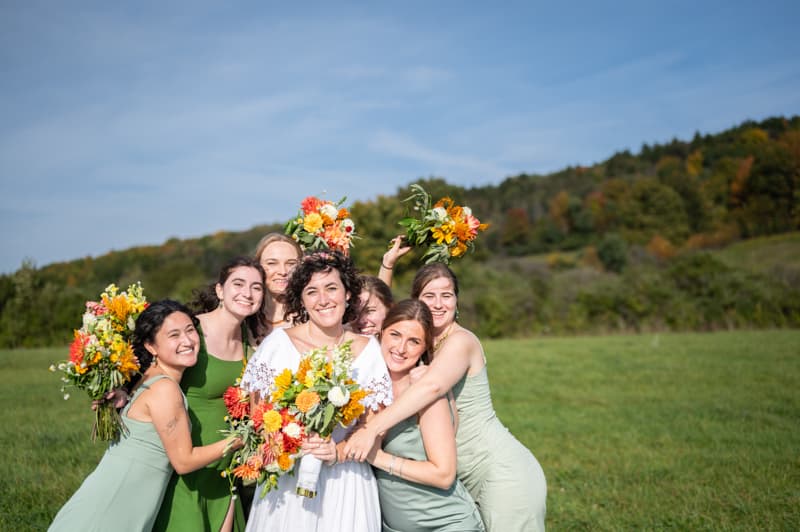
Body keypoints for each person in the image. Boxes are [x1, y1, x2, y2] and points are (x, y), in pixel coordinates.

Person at [344, 262, 547, 532]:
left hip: (496, 469)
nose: (438, 304)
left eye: (447, 295)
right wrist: (387, 265)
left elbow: (431, 388)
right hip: (457, 476)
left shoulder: (460, 341)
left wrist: (371, 433)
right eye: (429, 296)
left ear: (457, 301)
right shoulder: (421, 346)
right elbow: (387, 318)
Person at [49, 300, 242, 532]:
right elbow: (184, 461)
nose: (187, 340)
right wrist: (239, 440)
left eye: (191, 330)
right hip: (113, 506)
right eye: (174, 335)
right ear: (151, 346)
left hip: (121, 502)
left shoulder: (147, 378)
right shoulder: (165, 389)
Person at [240, 250, 392, 532]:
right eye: (312, 292)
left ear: (348, 294)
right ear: (302, 300)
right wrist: (291, 442)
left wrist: (338, 451)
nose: (323, 300)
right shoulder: (277, 344)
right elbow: (258, 418)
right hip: (288, 482)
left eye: (332, 288)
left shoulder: (369, 350)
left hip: (346, 480)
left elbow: (373, 427)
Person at [154, 257, 267, 532]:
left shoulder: (250, 341)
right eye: (238, 284)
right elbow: (151, 371)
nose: (247, 293)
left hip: (225, 466)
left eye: (257, 287)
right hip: (185, 461)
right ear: (219, 290)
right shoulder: (191, 332)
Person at [369, 299, 485, 532]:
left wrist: (377, 458)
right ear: (381, 333)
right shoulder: (368, 383)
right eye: (395, 334)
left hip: (445, 524)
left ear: (424, 348)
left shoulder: (424, 393)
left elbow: (444, 474)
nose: (401, 348)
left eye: (414, 341)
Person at [254, 232, 304, 334]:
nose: (283, 272)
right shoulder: (245, 316)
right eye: (272, 263)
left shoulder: (312, 316)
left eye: (291, 264)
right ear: (258, 266)